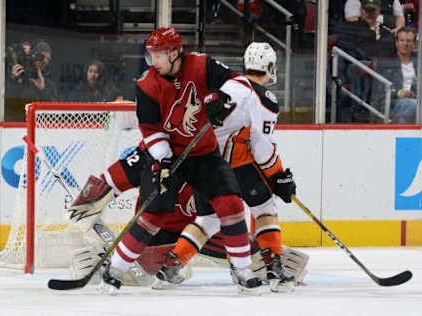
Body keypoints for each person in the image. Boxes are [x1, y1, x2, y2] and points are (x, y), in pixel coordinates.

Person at [71, 27, 262, 295]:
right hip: (167, 157)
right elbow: (151, 130)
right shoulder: (146, 85)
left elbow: (238, 81)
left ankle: (242, 271)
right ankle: (113, 270)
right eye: (150, 55)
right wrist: (164, 163)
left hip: (205, 155)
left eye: (159, 55)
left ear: (175, 52)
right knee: (153, 215)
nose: (154, 61)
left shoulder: (201, 64)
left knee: (230, 203)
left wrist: (222, 98)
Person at [152, 42, 297, 293]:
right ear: (270, 67)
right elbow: (262, 151)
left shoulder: (227, 85)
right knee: (264, 207)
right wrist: (279, 175)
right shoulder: (264, 98)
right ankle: (275, 270)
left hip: (202, 163)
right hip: (234, 166)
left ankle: (171, 267)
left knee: (207, 218)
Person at [66, 143, 309, 289]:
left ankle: (262, 262)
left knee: (253, 256)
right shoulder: (151, 150)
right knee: (151, 266)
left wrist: (275, 177)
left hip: (204, 229)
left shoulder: (216, 147)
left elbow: (248, 173)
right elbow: (109, 180)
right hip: (160, 232)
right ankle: (103, 261)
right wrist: (87, 202)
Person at [335, 0, 396, 122]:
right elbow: (346, 49)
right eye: (367, 11)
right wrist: (369, 60)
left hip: (382, 69)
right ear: (361, 11)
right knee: (363, 66)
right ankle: (360, 108)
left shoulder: (386, 33)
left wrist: (378, 62)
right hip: (355, 66)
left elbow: (391, 54)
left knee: (385, 69)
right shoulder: (350, 29)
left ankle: (379, 105)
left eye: (373, 11)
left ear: (378, 11)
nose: (369, 14)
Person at [371, 26, 417, 123]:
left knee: (414, 104)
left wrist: (414, 94)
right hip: (392, 104)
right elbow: (378, 92)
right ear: (396, 43)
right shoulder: (385, 63)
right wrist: (399, 93)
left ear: (414, 44)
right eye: (402, 40)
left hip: (417, 100)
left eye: (409, 41)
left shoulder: (419, 62)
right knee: (412, 105)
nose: (405, 44)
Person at [5, 40, 58, 121]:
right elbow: (5, 105)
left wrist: (43, 90)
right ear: (33, 57)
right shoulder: (17, 77)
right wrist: (13, 79)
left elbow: (55, 113)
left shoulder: (49, 85)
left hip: (38, 127)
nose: (45, 61)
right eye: (42, 57)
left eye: (48, 59)